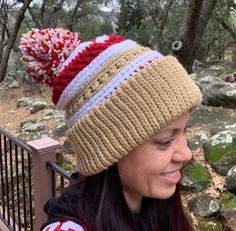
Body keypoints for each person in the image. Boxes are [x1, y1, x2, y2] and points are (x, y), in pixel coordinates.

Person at [20, 28, 202, 231]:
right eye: (165, 141)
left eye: (184, 131)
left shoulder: (157, 205)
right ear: (105, 150)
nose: (186, 153)